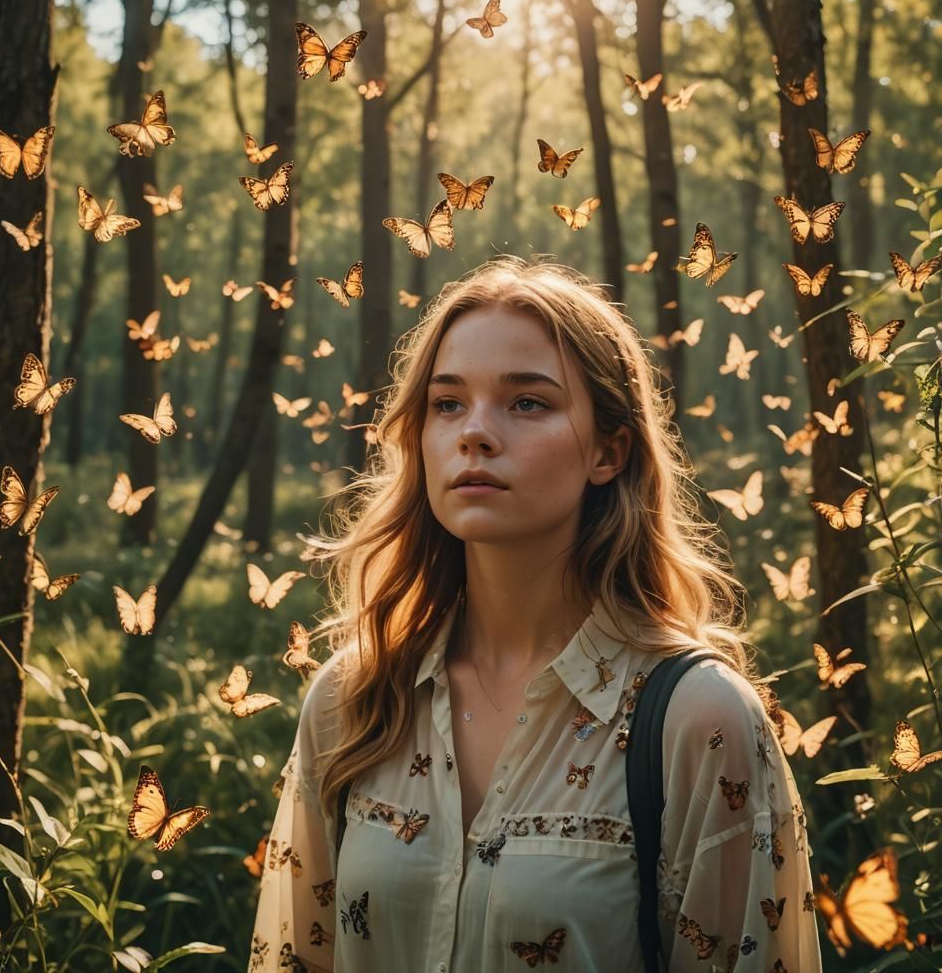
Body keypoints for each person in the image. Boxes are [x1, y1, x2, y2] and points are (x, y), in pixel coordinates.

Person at [247, 256, 823, 972]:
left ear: (609, 451)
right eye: (447, 403)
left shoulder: (697, 720)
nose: (475, 433)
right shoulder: (353, 696)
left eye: (527, 403)